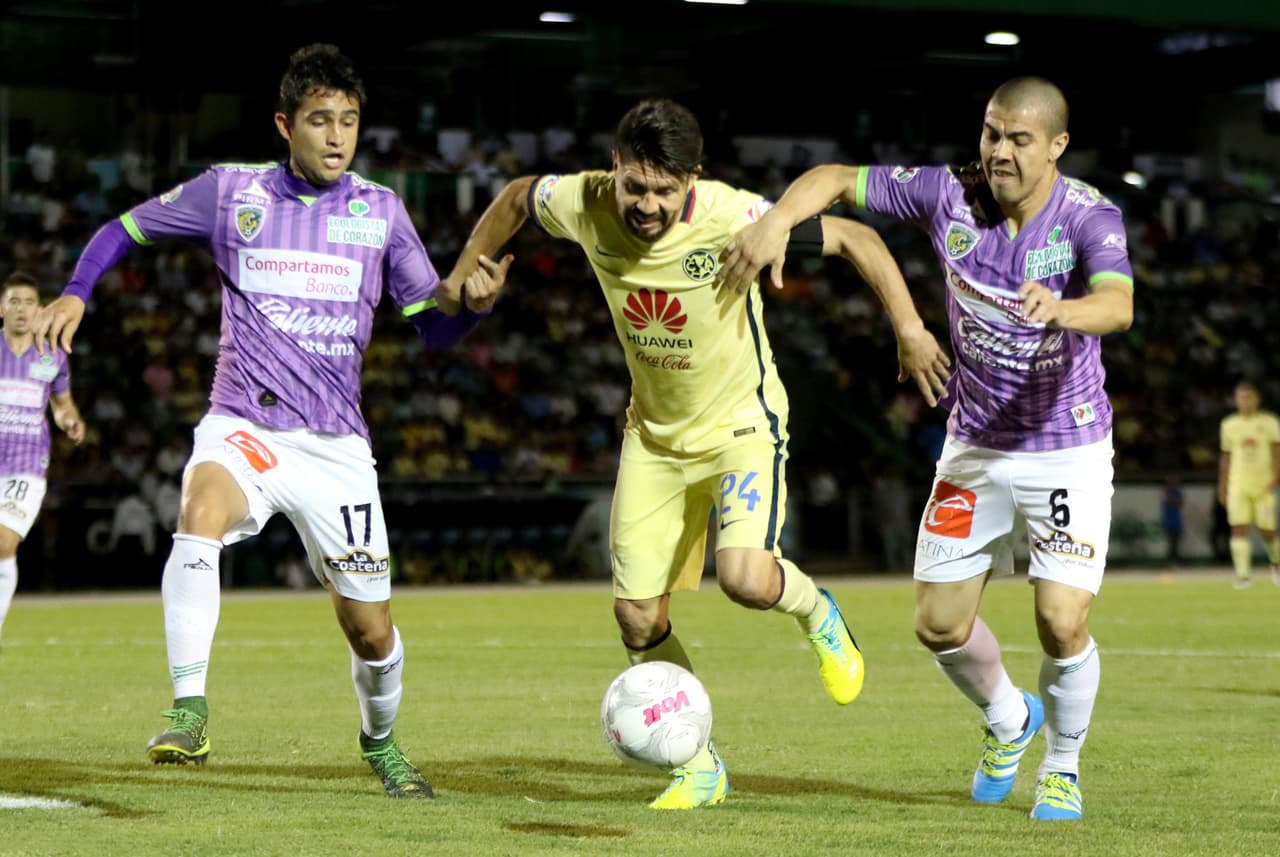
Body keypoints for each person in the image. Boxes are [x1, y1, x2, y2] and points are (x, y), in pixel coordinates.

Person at [32, 43, 509, 799]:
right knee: (199, 512)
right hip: (245, 425)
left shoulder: (381, 211)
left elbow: (434, 327)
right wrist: (76, 292)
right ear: (286, 124)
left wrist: (472, 308)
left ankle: (380, 741)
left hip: (336, 447)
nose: (337, 136)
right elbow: (123, 227)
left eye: (348, 121)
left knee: (372, 631)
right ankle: (189, 710)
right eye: (320, 120)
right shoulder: (231, 193)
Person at [445, 98, 950, 810]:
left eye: (665, 190)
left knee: (744, 578)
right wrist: (464, 276)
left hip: (741, 427)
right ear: (614, 166)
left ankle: (818, 613)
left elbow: (858, 239)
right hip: (653, 439)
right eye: (635, 186)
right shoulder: (583, 200)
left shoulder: (734, 216)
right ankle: (699, 764)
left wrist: (910, 328)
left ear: (693, 177)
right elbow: (516, 198)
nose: (647, 205)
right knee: (636, 618)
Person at [720, 76, 1134, 821]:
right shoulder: (948, 193)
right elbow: (835, 178)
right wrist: (777, 221)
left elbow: (1119, 304)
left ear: (1057, 147)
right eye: (991, 133)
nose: (999, 151)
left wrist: (1064, 309)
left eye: (1019, 139)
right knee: (937, 624)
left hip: (1065, 445)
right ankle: (1009, 717)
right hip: (974, 445)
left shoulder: (1088, 215)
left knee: (1061, 619)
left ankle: (1062, 767)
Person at [0, 271, 86, 648]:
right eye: (14, 302)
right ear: (2, 309)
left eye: (29, 303)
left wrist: (70, 421)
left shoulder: (52, 355)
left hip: (26, 465)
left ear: (39, 311)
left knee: (3, 542)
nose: (22, 310)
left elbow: (62, 405)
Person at [1217, 380, 1280, 588]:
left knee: (1268, 530)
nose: (1246, 401)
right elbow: (1225, 458)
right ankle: (1243, 575)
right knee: (1239, 528)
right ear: (1235, 400)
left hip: (1264, 485)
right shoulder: (1229, 425)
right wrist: (1222, 487)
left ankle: (1276, 563)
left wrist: (1276, 478)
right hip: (1238, 485)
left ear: (1257, 399)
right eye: (1241, 398)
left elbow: (1277, 453)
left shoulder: (1270, 423)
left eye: (1249, 397)